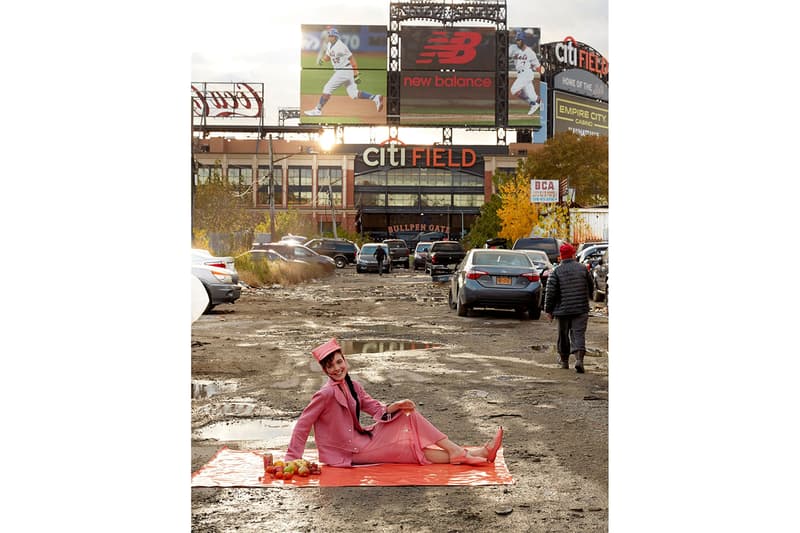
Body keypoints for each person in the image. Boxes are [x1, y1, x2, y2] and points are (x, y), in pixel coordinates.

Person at [284, 338, 503, 467]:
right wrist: (292, 460)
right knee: (408, 446)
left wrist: (396, 405)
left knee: (408, 417)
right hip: (348, 452)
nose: (336, 369)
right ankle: (463, 453)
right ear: (325, 370)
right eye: (330, 366)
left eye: (339, 362)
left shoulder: (353, 385)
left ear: (345, 361)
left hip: (363, 439)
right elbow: (303, 425)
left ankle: (475, 454)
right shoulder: (325, 394)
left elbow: (376, 410)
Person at [304, 27, 383, 117]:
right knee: (353, 94)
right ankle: (375, 97)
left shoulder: (340, 46)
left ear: (335, 37)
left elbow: (352, 59)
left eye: (331, 35)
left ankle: (317, 110)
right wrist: (322, 60)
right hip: (344, 71)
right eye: (329, 35)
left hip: (344, 71)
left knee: (327, 88)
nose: (329, 37)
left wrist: (356, 74)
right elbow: (328, 56)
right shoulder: (330, 44)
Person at [543, 242, 594, 373]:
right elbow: (591, 285)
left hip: (562, 310)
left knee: (563, 335)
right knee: (578, 334)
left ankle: (564, 361)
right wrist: (587, 298)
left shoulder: (556, 271)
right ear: (573, 254)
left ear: (561, 256)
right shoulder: (583, 269)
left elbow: (550, 293)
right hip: (581, 308)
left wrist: (548, 310)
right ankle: (579, 360)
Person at [508, 30, 542, 116]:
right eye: (517, 40)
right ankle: (541, 104)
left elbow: (537, 66)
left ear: (523, 40)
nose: (517, 41)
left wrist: (542, 72)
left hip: (526, 73)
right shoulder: (513, 48)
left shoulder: (530, 52)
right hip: (520, 74)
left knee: (513, 90)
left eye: (519, 40)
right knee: (533, 96)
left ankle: (532, 104)